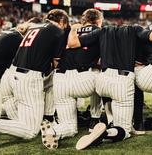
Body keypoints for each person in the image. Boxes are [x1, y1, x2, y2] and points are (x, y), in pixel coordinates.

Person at [66, 22, 152, 150]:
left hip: (102, 80)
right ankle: (107, 132)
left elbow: (72, 44)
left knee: (113, 103)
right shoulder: (135, 29)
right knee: (124, 130)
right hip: (122, 81)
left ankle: (110, 121)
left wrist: (73, 29)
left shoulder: (102, 30)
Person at [0, 9, 69, 146]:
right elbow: (56, 63)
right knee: (30, 131)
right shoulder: (57, 30)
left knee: (24, 121)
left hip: (12, 75)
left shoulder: (35, 27)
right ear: (62, 21)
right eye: (66, 25)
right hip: (29, 78)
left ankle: (46, 118)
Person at [40, 9, 104, 149]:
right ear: (99, 20)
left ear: (83, 20)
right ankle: (95, 118)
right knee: (102, 75)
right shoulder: (100, 31)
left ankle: (55, 131)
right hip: (85, 80)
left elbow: (55, 59)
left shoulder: (66, 31)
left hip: (61, 80)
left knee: (70, 127)